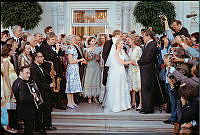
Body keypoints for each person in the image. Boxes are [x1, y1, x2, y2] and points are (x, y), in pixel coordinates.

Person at [132, 30, 159, 114]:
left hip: (148, 70)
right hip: (145, 69)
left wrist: (137, 62)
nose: (143, 38)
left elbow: (148, 58)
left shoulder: (152, 44)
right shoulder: (149, 44)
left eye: (144, 36)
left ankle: (148, 108)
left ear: (148, 36)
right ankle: (145, 107)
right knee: (144, 88)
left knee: (147, 89)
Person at [104, 38, 134, 113]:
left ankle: (124, 105)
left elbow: (125, 60)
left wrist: (130, 61)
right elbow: (120, 62)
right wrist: (131, 62)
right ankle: (116, 105)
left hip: (122, 71)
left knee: (123, 86)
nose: (122, 45)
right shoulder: (115, 53)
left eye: (123, 43)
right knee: (117, 87)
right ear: (117, 44)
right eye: (121, 43)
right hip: (116, 72)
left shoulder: (122, 51)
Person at [30, 52, 57, 131]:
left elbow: (44, 77)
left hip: (45, 91)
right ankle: (39, 127)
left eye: (42, 56)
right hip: (40, 92)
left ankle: (47, 125)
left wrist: (51, 74)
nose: (43, 58)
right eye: (41, 57)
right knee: (40, 110)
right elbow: (36, 83)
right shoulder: (33, 68)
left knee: (47, 109)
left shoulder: (40, 66)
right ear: (36, 58)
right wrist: (49, 86)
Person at [12, 66, 37, 134]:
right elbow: (22, 98)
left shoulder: (16, 82)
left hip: (22, 109)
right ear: (21, 73)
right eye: (27, 73)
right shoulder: (22, 83)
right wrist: (33, 96)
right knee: (29, 130)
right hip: (27, 111)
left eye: (29, 73)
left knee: (28, 129)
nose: (29, 75)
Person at [1, 44, 18, 133]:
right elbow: (6, 76)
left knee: (11, 107)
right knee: (8, 107)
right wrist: (10, 88)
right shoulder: (6, 61)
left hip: (11, 83)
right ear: (8, 51)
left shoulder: (7, 60)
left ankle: (10, 125)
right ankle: (8, 126)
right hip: (8, 84)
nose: (13, 51)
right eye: (11, 50)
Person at [65, 36, 85, 109]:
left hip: (75, 68)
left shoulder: (73, 47)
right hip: (71, 68)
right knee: (70, 85)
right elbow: (70, 61)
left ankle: (72, 101)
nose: (75, 40)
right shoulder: (70, 48)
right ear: (70, 40)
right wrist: (80, 60)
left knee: (73, 86)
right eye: (73, 39)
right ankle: (69, 102)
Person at [83, 36, 102, 104]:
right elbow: (86, 58)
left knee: (96, 80)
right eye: (92, 41)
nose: (93, 42)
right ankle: (89, 97)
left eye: (94, 41)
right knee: (89, 80)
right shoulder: (86, 49)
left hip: (96, 66)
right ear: (89, 42)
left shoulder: (98, 49)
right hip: (90, 65)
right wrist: (90, 57)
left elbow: (98, 59)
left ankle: (95, 97)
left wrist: (97, 57)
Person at [127, 34, 142, 111]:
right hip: (130, 69)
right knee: (132, 85)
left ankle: (141, 103)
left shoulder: (138, 49)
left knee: (138, 86)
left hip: (137, 69)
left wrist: (135, 62)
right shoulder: (129, 49)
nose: (127, 41)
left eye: (129, 39)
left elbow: (141, 59)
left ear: (133, 40)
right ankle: (133, 102)